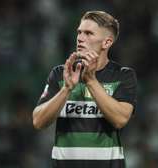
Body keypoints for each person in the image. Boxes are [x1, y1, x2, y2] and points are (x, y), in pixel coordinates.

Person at [32, 10, 138, 168]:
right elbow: (38, 121)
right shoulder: (61, 74)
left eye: (89, 33)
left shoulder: (122, 75)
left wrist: (91, 81)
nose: (80, 38)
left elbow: (120, 119)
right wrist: (66, 89)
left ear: (107, 43)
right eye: (79, 32)